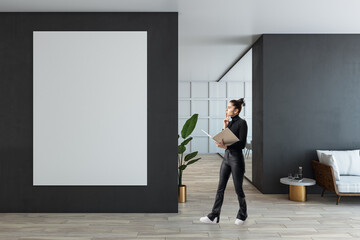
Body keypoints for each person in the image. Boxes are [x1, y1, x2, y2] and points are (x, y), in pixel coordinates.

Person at [200, 98, 248, 225]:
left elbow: (242, 144)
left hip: (236, 159)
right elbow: (225, 139)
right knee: (220, 188)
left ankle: (242, 214)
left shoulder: (242, 123)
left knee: (238, 189)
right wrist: (225, 126)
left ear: (236, 110)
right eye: (227, 107)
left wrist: (226, 147)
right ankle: (214, 216)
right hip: (226, 158)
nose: (227, 109)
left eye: (229, 107)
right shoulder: (230, 123)